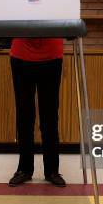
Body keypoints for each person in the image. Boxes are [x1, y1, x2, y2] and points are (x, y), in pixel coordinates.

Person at [8, 38, 66, 187]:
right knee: (24, 116)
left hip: (51, 56)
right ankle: (24, 169)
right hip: (21, 56)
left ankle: (52, 170)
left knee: (50, 116)